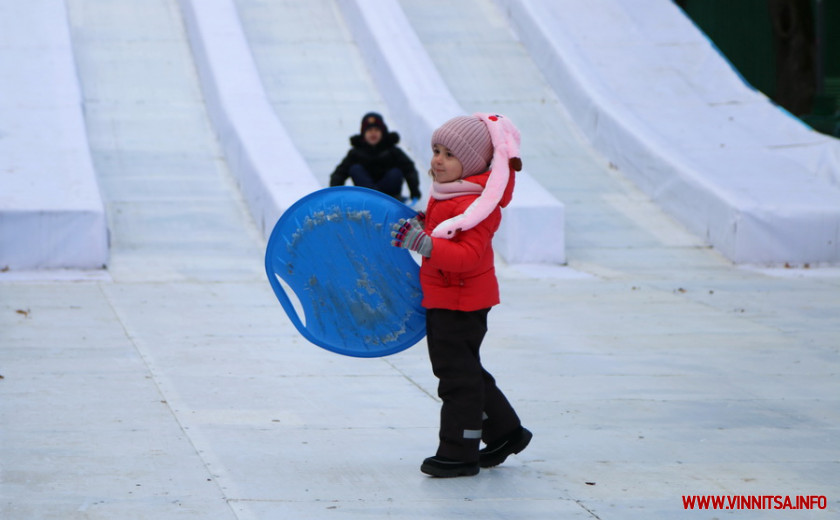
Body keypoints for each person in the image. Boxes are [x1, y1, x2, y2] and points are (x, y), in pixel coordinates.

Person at [390, 113, 532, 478]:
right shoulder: (451, 195)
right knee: (464, 368)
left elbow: (466, 257)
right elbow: (445, 234)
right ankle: (505, 431)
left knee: (457, 377)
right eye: (436, 150)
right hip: (446, 298)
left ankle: (459, 450)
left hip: (461, 301)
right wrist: (425, 225)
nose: (437, 160)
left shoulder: (478, 206)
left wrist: (425, 244)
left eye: (449, 154)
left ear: (470, 164)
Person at [329, 112, 421, 202]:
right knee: (355, 169)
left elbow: (409, 169)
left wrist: (414, 190)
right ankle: (372, 198)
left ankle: (385, 199)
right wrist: (335, 194)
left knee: (395, 172)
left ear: (383, 132)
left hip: (389, 195)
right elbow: (340, 173)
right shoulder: (356, 153)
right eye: (369, 131)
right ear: (363, 134)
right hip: (366, 194)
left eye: (376, 130)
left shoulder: (393, 151)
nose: (373, 134)